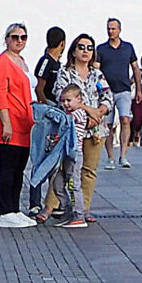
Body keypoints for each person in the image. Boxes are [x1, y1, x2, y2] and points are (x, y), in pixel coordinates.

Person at [53, 34, 113, 222]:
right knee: (64, 170)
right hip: (73, 128)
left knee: (88, 170)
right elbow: (60, 96)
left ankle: (83, 209)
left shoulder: (97, 74)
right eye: (81, 47)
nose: (85, 51)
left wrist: (99, 113)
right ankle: (57, 205)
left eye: (89, 48)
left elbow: (107, 96)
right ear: (73, 50)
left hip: (96, 129)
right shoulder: (65, 73)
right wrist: (89, 111)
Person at [0, 23, 38, 229]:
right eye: (15, 36)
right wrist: (6, 123)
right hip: (11, 121)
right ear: (6, 38)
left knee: (19, 168)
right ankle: (5, 210)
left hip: (25, 122)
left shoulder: (22, 61)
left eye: (23, 37)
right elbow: (0, 94)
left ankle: (15, 209)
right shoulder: (2, 62)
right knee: (8, 167)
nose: (19, 40)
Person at [30, 27, 66, 216]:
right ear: (62, 43)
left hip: (56, 112)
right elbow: (39, 87)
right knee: (41, 157)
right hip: (48, 111)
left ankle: (54, 199)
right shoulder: (46, 62)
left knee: (55, 159)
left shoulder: (58, 64)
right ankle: (34, 201)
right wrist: (46, 107)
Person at [97, 18, 140, 170]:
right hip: (106, 92)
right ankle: (110, 157)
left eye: (113, 28)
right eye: (109, 28)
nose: (111, 31)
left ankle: (123, 154)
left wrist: (139, 89)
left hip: (124, 90)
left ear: (119, 30)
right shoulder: (101, 49)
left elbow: (135, 68)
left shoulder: (128, 47)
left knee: (125, 119)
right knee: (108, 124)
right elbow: (96, 70)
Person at [51, 84, 90, 229]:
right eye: (63, 101)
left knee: (74, 184)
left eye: (69, 100)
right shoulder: (67, 114)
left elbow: (66, 121)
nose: (65, 104)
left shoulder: (78, 113)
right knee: (58, 183)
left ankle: (79, 214)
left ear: (78, 99)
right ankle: (67, 210)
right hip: (65, 155)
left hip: (75, 155)